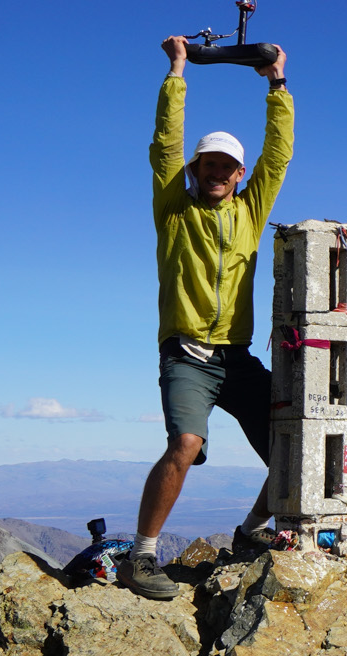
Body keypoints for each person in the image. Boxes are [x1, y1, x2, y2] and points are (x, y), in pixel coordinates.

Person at [123, 35, 292, 601]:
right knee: (187, 445)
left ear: (240, 175)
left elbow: (280, 153)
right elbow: (164, 144)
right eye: (208, 165)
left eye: (228, 167)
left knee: (293, 446)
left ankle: (250, 533)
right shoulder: (174, 206)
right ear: (195, 169)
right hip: (187, 352)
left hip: (237, 356)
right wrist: (177, 71)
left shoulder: (251, 209)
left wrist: (277, 85)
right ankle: (143, 556)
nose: (217, 173)